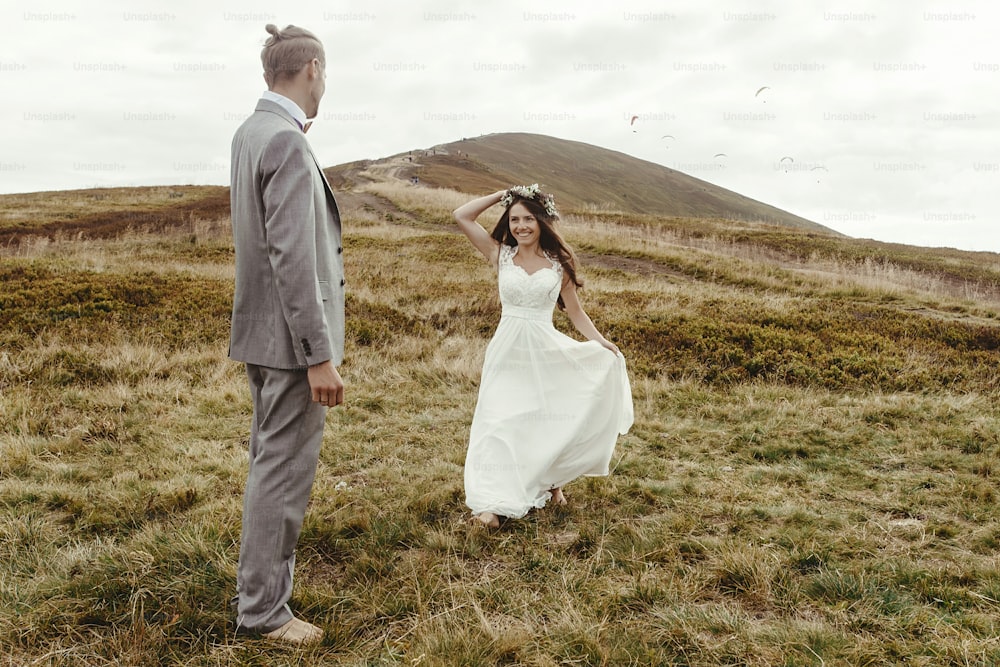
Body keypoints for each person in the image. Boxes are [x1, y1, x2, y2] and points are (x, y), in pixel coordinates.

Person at [228, 23, 344, 645]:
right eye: (326, 76)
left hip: (259, 335)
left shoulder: (250, 133)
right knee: (282, 470)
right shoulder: (287, 144)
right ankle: (265, 613)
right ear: (313, 70)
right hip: (290, 346)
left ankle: (259, 592)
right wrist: (317, 356)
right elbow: (292, 259)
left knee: (268, 463)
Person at [453, 185, 634, 528]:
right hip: (507, 350)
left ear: (542, 222)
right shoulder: (500, 254)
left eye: (528, 219)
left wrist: (601, 342)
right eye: (514, 219)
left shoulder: (559, 265)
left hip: (544, 347)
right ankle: (491, 507)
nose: (521, 226)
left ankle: (552, 483)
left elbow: (576, 313)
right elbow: (461, 215)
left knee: (543, 418)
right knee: (499, 422)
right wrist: (501, 195)